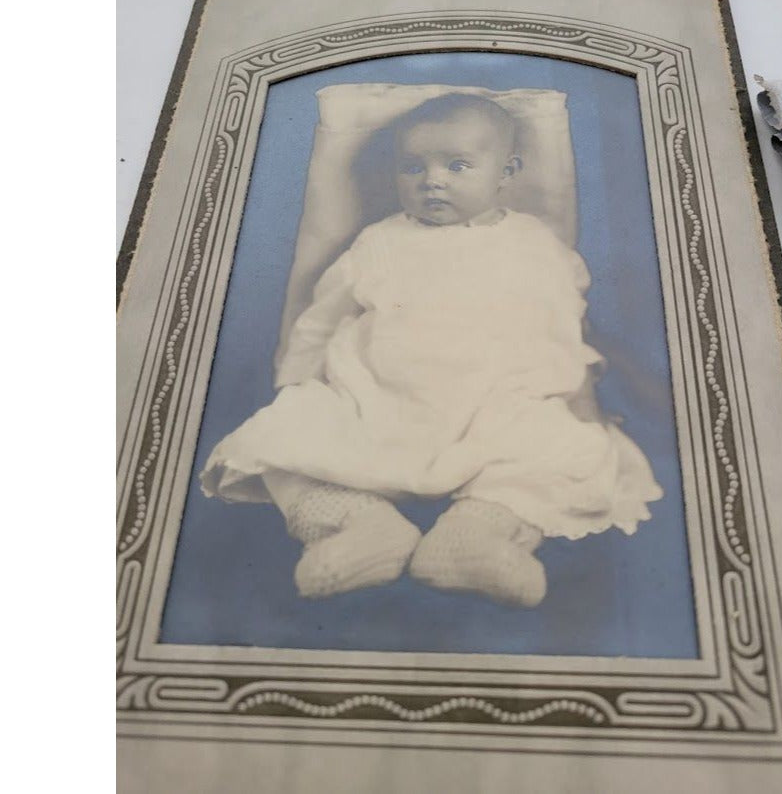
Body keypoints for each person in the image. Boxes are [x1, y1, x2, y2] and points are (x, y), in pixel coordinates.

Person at [200, 93, 662, 607]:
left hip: (493, 404)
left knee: (567, 447)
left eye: (457, 165)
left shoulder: (533, 243)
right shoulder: (378, 242)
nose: (432, 180)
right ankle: (359, 524)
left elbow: (560, 325)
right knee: (278, 434)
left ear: (506, 172)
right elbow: (320, 319)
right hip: (378, 401)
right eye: (413, 167)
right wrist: (295, 383)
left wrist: (581, 399)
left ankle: (475, 536)